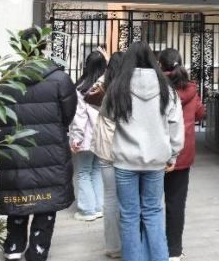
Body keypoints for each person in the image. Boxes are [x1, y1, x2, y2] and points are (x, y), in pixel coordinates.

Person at [0, 27, 77, 261]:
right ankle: (38, 251)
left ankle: (13, 247)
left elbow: (2, 116)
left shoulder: (6, 78)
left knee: (19, 194)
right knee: (46, 199)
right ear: (43, 47)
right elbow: (68, 114)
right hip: (50, 148)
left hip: (15, 149)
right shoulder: (60, 79)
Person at [102, 41, 184, 261]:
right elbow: (175, 125)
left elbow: (106, 120)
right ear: (153, 60)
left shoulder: (117, 88)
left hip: (124, 161)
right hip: (156, 161)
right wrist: (173, 154)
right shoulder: (167, 89)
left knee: (129, 216)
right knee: (154, 212)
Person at [160, 48, 205, 261]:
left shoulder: (157, 87)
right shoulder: (191, 89)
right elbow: (200, 113)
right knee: (176, 203)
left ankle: (151, 247)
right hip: (182, 153)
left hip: (155, 154)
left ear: (160, 65)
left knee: (150, 205)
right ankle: (174, 251)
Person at [87, 51, 124, 259]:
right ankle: (129, 241)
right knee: (128, 198)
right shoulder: (127, 89)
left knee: (110, 197)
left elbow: (89, 97)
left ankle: (113, 247)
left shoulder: (103, 86)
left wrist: (107, 70)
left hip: (106, 149)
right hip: (126, 150)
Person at [70, 50, 108, 222]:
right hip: (102, 137)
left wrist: (75, 138)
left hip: (86, 137)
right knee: (97, 171)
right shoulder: (107, 86)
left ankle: (87, 210)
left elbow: (79, 117)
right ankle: (99, 207)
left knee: (83, 172)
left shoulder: (81, 88)